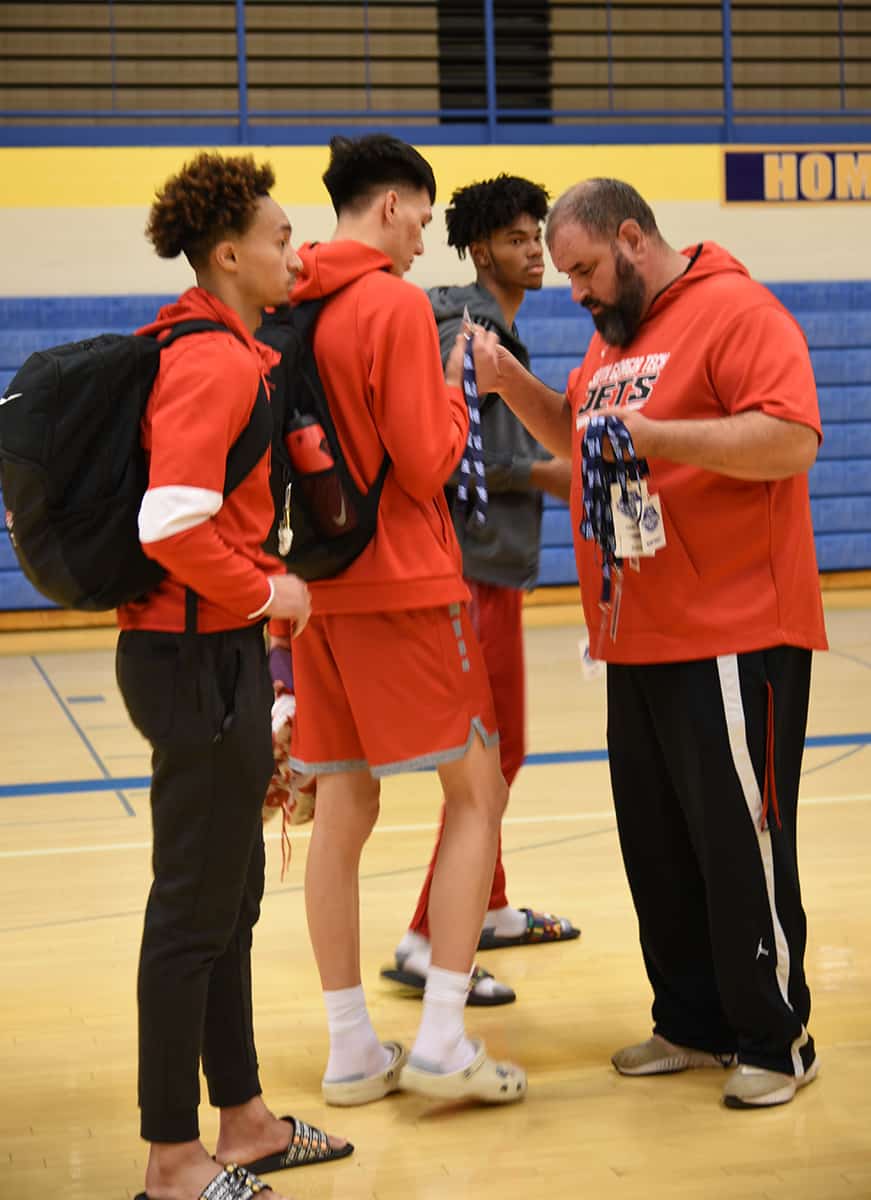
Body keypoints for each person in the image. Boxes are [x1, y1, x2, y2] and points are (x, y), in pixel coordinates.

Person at [480, 176, 827, 1109]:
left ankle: (775, 1037)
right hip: (633, 635)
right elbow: (591, 438)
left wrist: (659, 434)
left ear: (632, 237)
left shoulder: (737, 311)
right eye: (568, 277)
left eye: (586, 269)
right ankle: (690, 1020)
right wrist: (513, 386)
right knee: (659, 845)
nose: (578, 291)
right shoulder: (613, 336)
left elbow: (792, 439)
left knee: (735, 842)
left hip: (732, 632)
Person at [116, 152, 350, 1200]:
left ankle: (243, 1117)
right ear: (229, 256)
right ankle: (172, 1159)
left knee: (233, 894)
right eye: (281, 238)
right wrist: (269, 596)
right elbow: (168, 521)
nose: (292, 254)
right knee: (191, 908)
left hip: (210, 652)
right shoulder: (212, 362)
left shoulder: (217, 346)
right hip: (193, 656)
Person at [281, 134, 527, 1106]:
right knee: (475, 792)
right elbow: (427, 464)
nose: (427, 237)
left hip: (314, 595)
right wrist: (462, 392)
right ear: (388, 205)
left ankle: (349, 1051)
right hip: (405, 584)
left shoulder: (284, 301)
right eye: (423, 218)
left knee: (342, 812)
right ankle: (439, 1040)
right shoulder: (388, 302)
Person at [382, 174, 578, 1006]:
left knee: (501, 745)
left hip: (487, 565)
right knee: (491, 757)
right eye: (517, 240)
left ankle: (487, 906)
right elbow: (451, 453)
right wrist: (559, 473)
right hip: (465, 568)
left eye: (538, 237)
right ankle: (427, 935)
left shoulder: (485, 323)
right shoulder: (468, 328)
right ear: (478, 249)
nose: (533, 252)